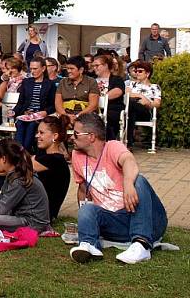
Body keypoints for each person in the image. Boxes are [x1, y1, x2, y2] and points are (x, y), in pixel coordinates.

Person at [69, 113, 168, 264]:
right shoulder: (76, 155)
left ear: (91, 136)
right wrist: (85, 222)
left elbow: (129, 161)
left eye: (76, 134)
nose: (71, 137)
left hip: (143, 218)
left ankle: (141, 244)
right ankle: (89, 245)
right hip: (115, 222)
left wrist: (128, 184)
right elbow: (83, 188)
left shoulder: (112, 146)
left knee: (139, 181)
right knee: (87, 209)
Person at [13, 57, 57, 152]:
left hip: (40, 115)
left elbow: (53, 105)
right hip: (26, 114)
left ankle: (24, 152)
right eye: (31, 68)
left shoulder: (50, 84)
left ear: (43, 68)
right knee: (20, 124)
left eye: (35, 69)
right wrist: (15, 112)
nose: (32, 71)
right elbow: (21, 102)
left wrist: (45, 112)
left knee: (32, 125)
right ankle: (21, 152)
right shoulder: (26, 82)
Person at [121, 61, 161, 147]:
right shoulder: (131, 84)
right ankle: (129, 144)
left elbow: (157, 103)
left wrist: (148, 103)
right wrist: (141, 96)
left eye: (140, 71)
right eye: (136, 71)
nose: (137, 73)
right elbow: (128, 94)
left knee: (130, 107)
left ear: (147, 73)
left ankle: (127, 143)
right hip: (132, 109)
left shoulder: (154, 87)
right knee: (131, 109)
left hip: (146, 111)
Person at [90, 54, 126, 141]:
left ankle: (109, 143)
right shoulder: (91, 80)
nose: (94, 68)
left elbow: (118, 91)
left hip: (112, 108)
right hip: (92, 108)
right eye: (93, 66)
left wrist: (100, 99)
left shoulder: (116, 79)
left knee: (106, 118)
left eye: (97, 65)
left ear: (106, 65)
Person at [55, 55, 100, 125]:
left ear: (81, 70)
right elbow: (58, 104)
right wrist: (66, 116)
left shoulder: (91, 82)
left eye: (72, 68)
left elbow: (93, 105)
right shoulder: (62, 82)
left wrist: (78, 116)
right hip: (65, 115)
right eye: (67, 68)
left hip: (85, 115)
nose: (68, 71)